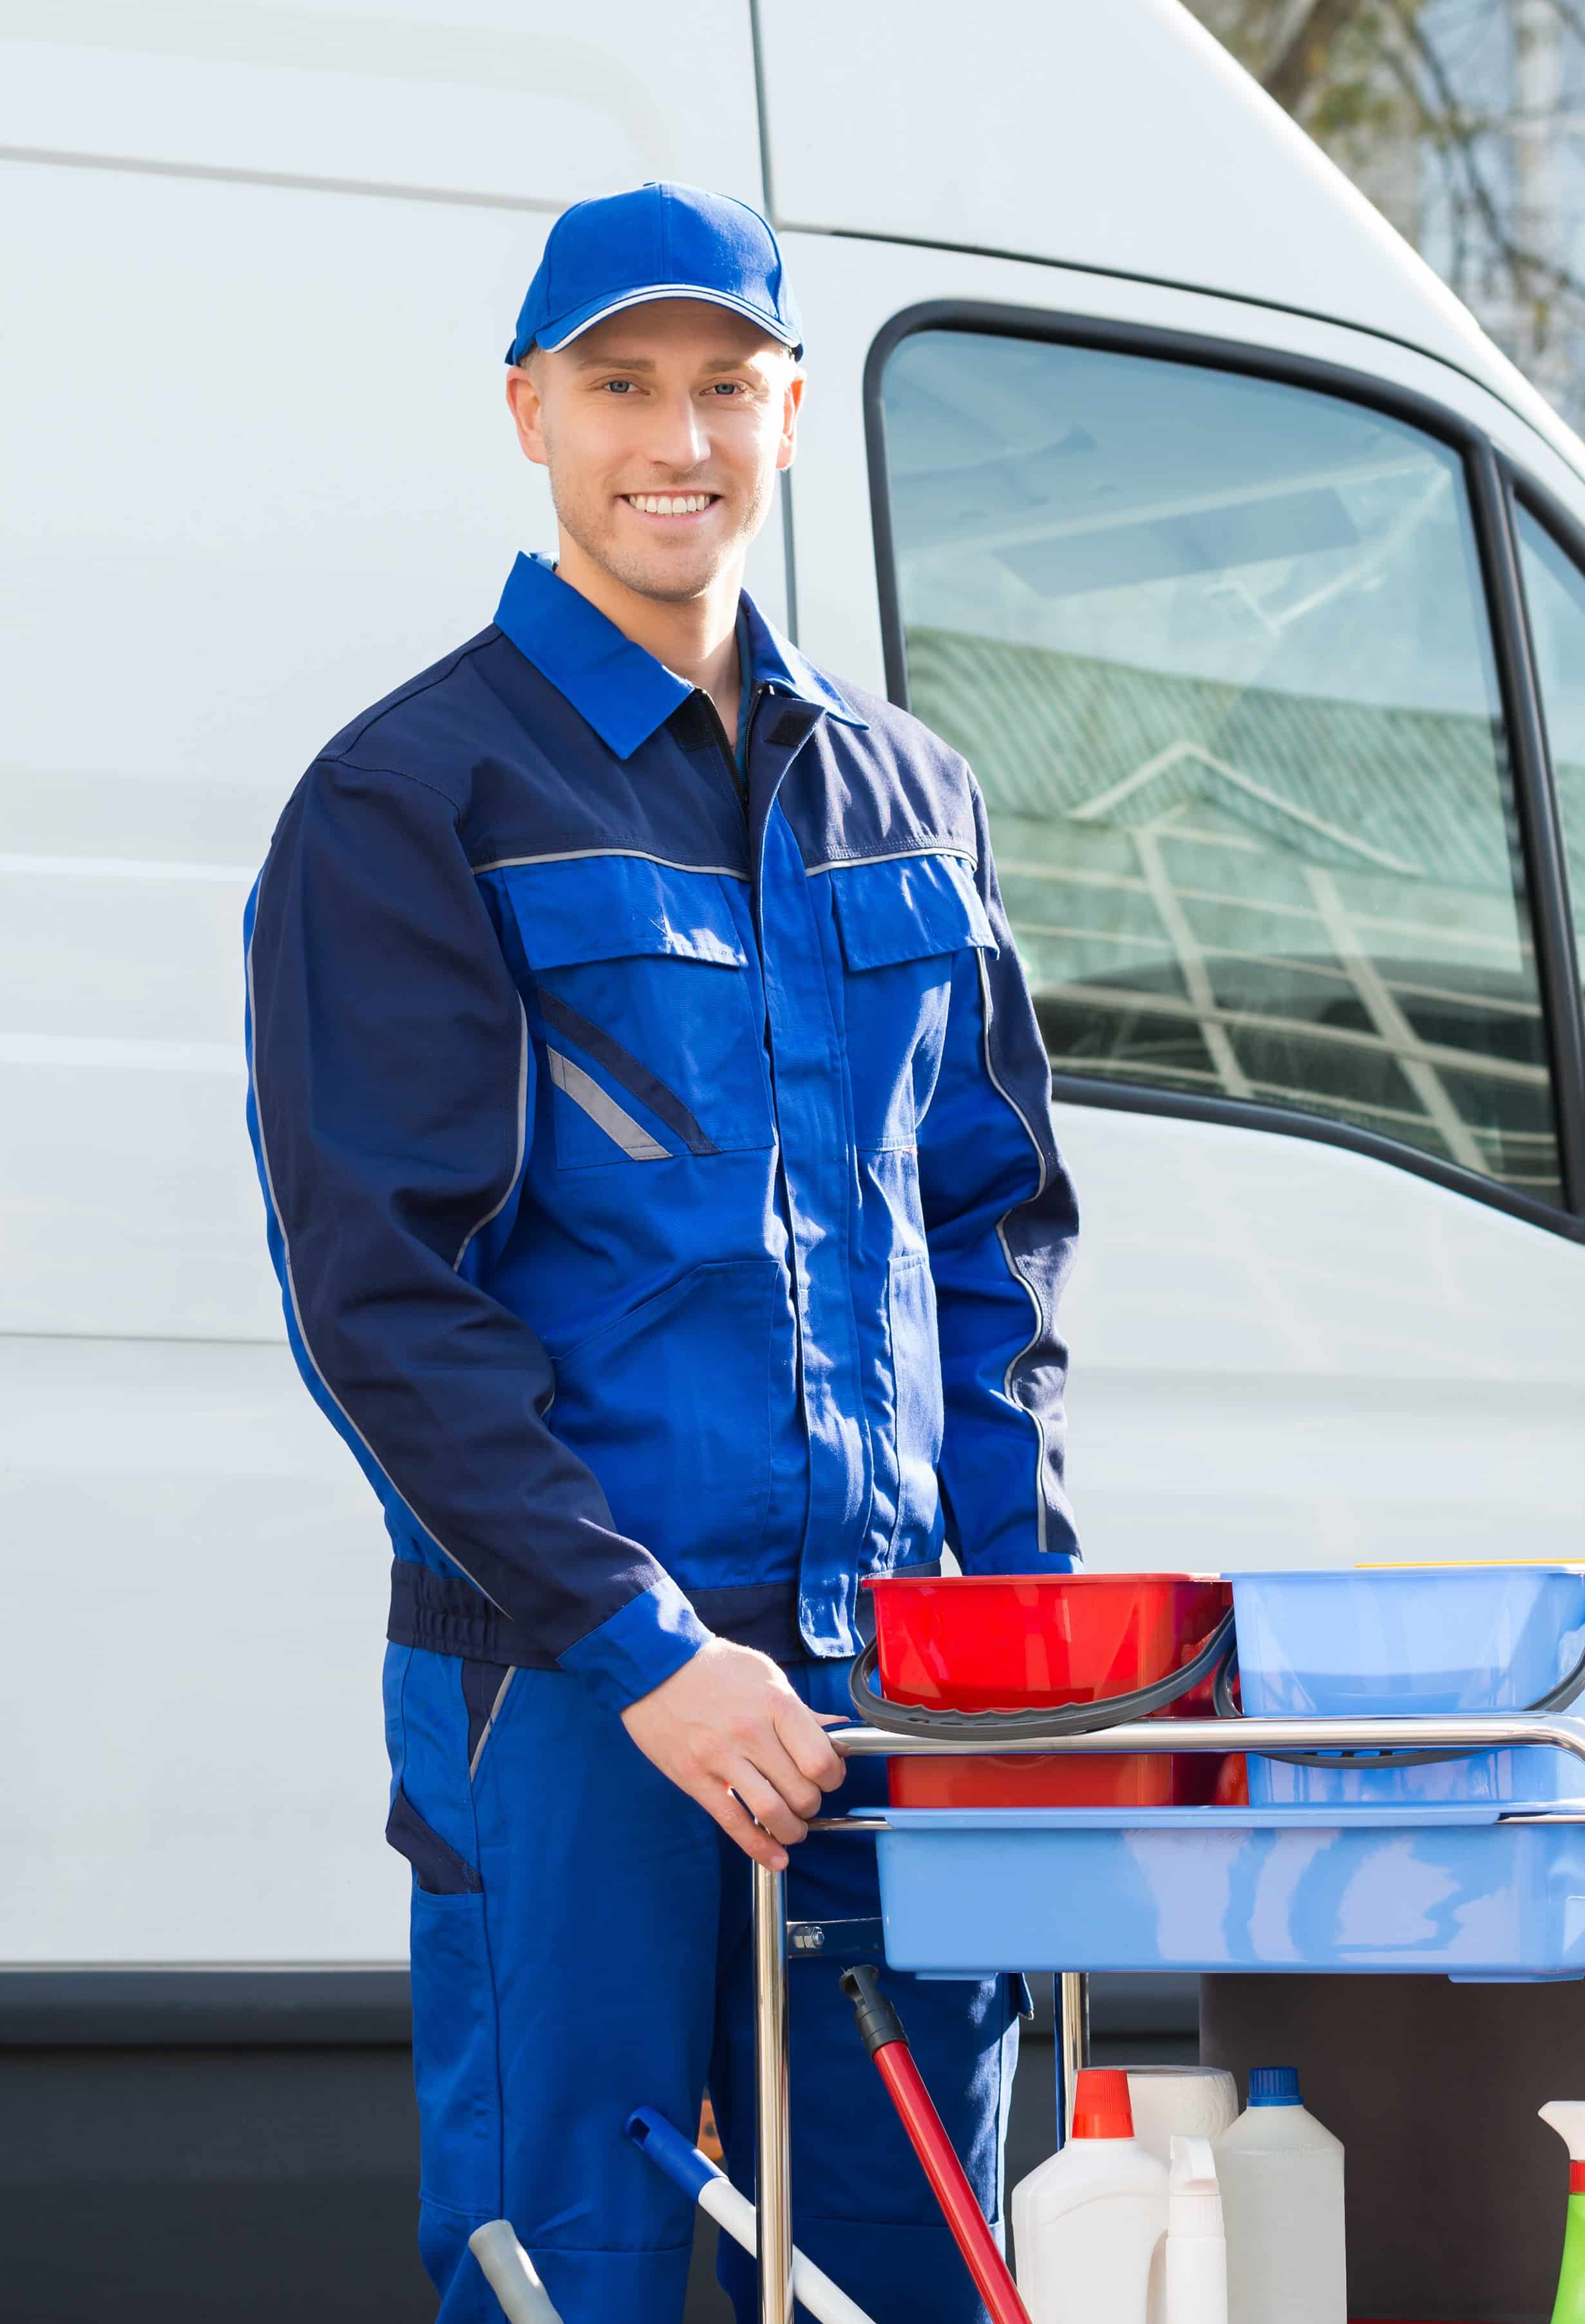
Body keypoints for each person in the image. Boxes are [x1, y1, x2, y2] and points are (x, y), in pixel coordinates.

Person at [243, 181, 1078, 2324]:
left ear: (793, 415)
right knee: (575, 2283)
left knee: (920, 2278)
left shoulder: (910, 795)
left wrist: (1017, 1641)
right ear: (531, 410)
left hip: (888, 1700)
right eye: (620, 384)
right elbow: (383, 1304)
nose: (673, 436)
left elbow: (988, 1250)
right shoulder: (412, 799)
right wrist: (649, 1656)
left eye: (725, 385)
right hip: (576, 1704)